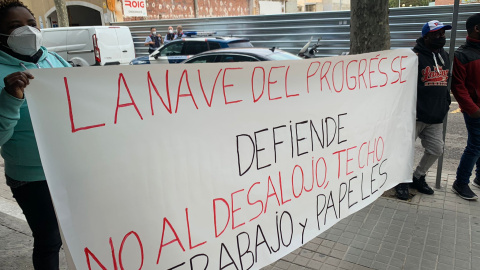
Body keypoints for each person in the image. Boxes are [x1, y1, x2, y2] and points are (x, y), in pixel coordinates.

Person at [0, 0, 71, 268]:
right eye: (14, 26)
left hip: (71, 169)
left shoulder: (55, 60)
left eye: (31, 24)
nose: (27, 31)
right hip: (32, 177)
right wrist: (9, 99)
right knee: (49, 239)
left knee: (81, 232)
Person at [395, 20, 452, 200]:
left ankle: (418, 177)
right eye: (436, 34)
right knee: (405, 150)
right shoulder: (414, 57)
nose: (441, 37)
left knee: (436, 149)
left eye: (443, 33)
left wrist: (445, 104)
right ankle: (401, 180)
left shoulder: (445, 55)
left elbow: (446, 83)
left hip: (436, 115)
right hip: (415, 115)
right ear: (426, 36)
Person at [451, 13, 480, 200]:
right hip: (475, 111)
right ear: (477, 28)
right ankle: (461, 182)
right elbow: (458, 87)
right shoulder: (462, 55)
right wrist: (473, 109)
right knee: (475, 145)